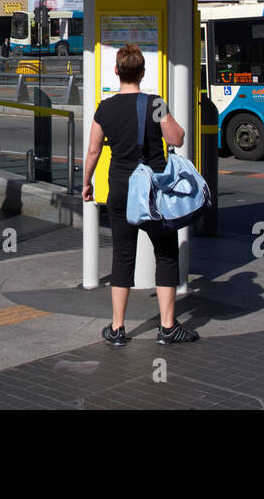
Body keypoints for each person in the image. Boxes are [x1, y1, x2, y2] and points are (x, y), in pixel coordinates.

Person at [81, 44, 196, 346]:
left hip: (120, 187)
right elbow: (177, 138)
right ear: (143, 73)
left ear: (116, 71)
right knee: (166, 254)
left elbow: (93, 150)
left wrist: (86, 182)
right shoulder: (154, 103)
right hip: (154, 190)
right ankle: (168, 327)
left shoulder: (105, 107)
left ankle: (118, 329)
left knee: (122, 255)